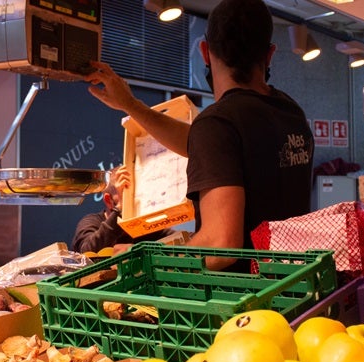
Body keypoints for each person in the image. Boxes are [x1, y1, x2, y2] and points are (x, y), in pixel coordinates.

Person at [85, 0, 314, 271]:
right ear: (270, 54)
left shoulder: (219, 123)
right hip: (294, 280)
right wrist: (131, 105)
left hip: (243, 292)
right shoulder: (289, 111)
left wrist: (144, 257)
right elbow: (208, 146)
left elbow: (220, 247)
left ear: (205, 52)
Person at [71, 167, 172, 253]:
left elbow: (175, 239)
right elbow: (87, 252)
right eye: (126, 195)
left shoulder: (142, 224)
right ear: (108, 201)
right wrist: (120, 209)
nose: (134, 200)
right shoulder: (91, 222)